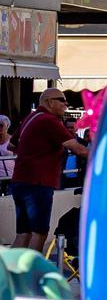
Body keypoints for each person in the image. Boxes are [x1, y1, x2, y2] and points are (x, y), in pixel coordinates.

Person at [14, 88, 86, 256]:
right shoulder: (49, 121)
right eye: (62, 100)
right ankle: (32, 276)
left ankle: (10, 277)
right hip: (38, 183)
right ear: (49, 102)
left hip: (21, 181)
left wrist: (33, 151)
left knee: (23, 232)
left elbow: (12, 144)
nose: (66, 104)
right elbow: (79, 149)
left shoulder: (31, 118)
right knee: (39, 232)